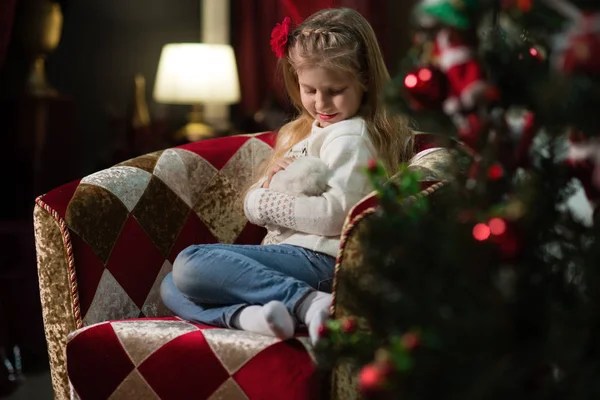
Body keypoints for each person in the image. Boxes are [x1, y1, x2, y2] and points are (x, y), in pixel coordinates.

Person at [160, 7, 413, 344]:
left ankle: (309, 303)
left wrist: (265, 200)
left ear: (364, 81)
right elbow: (253, 200)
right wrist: (264, 193)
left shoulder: (349, 135)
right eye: (309, 90)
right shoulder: (311, 132)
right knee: (171, 285)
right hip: (297, 260)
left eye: (335, 90)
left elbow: (336, 215)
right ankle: (258, 318)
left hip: (323, 263)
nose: (321, 102)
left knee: (190, 262)